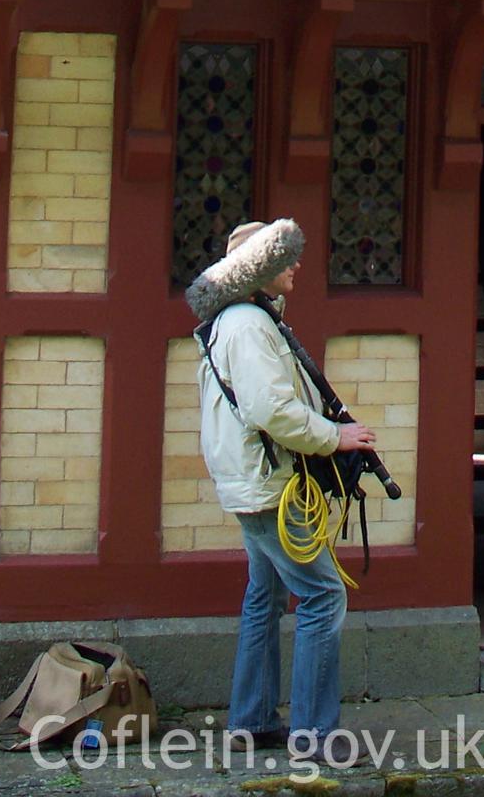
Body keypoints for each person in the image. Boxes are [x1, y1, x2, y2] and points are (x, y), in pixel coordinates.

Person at [186, 218, 379, 756]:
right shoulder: (249, 324)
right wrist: (335, 437)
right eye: (285, 258)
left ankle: (252, 720)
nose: (295, 266)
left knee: (264, 596)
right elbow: (271, 409)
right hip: (270, 486)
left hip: (255, 482)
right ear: (260, 268)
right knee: (322, 594)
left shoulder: (240, 320)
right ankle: (315, 735)